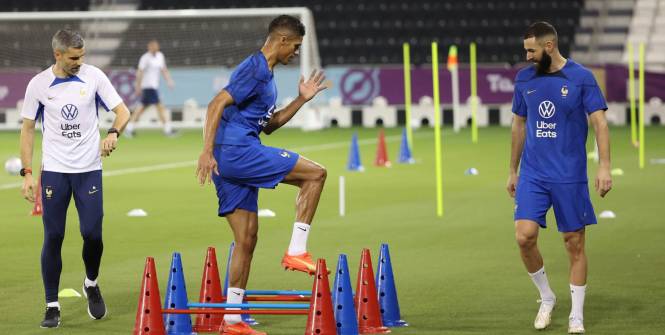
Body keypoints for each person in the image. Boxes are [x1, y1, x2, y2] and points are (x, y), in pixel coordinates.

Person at [196, 15, 328, 335]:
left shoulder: (266, 76)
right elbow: (215, 104)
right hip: (237, 152)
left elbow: (269, 125)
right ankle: (297, 250)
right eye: (295, 47)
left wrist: (301, 99)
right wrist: (206, 151)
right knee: (316, 175)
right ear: (281, 41)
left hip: (232, 159)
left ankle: (231, 320)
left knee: (246, 239)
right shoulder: (254, 69)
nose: (296, 53)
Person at [19, 29, 130, 328]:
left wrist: (113, 132)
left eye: (82, 56)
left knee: (92, 233)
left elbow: (123, 111)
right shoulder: (39, 85)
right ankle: (52, 304)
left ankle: (91, 282)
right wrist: (28, 173)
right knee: (53, 236)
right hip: (54, 171)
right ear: (58, 54)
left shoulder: (93, 77)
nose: (80, 61)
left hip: (89, 169)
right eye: (73, 57)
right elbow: (28, 129)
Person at [507, 21, 612, 334]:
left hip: (569, 175)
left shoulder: (581, 77)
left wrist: (604, 166)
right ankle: (546, 297)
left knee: (574, 244)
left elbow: (600, 124)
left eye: (531, 49)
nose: (526, 56)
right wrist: (513, 169)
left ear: (548, 46)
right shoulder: (524, 79)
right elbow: (518, 126)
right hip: (534, 174)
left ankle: (576, 315)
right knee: (523, 236)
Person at [124, 39, 175, 137]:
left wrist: (169, 81)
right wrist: (138, 86)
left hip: (154, 86)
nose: (155, 48)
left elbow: (163, 69)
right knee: (160, 107)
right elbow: (140, 72)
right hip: (148, 86)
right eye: (152, 46)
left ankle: (129, 128)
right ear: (149, 47)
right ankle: (168, 130)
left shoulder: (160, 56)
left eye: (156, 46)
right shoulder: (145, 58)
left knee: (141, 109)